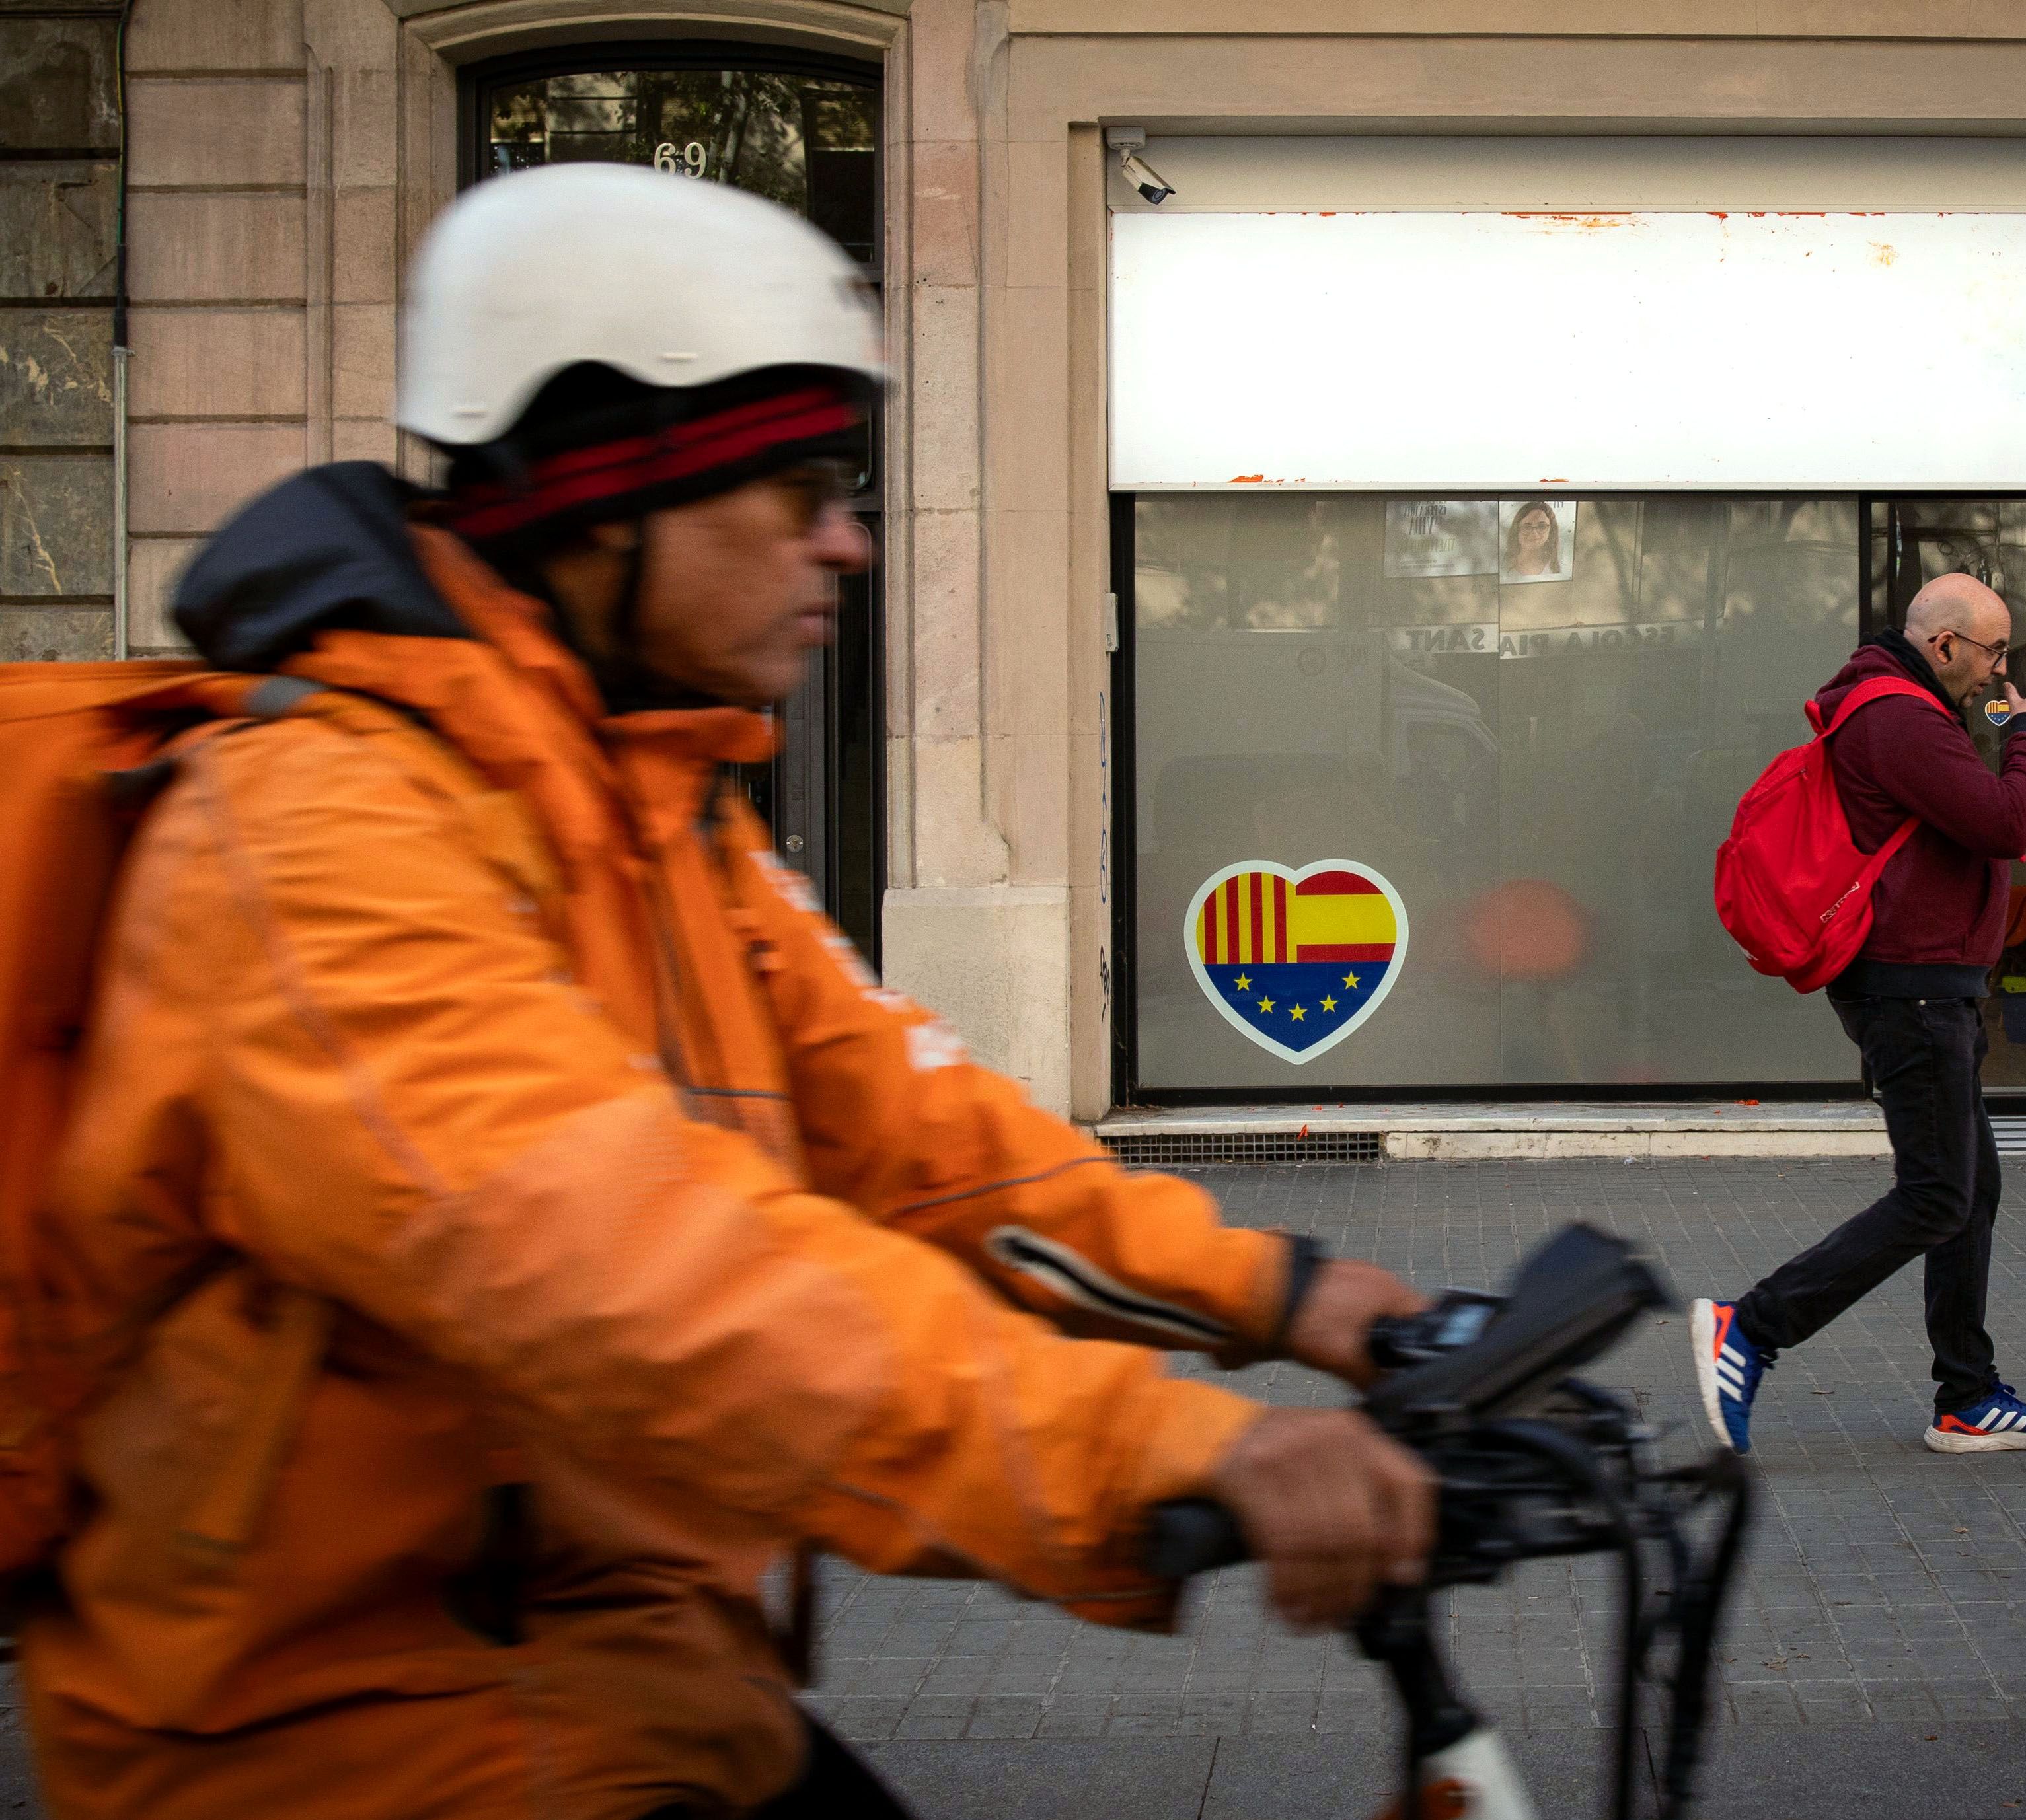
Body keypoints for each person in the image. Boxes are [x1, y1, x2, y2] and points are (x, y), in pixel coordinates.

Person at [19, 164, 1433, 1820]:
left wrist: (1306, 1296)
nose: (849, 536)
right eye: (800, 483)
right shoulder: (316, 834)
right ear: (611, 496)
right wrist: (1161, 1449)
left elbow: (930, 1139)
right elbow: (629, 1262)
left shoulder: (666, 812)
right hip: (341, 1740)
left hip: (634, 1687)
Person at [1690, 572, 2026, 1457]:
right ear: (1943, 644)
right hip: (1908, 992)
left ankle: (1968, 1398)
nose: (1997, 673)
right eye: (1991, 654)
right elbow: (2003, 823)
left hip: (1927, 987)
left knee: (1968, 1190)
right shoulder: (1896, 715)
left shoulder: (1907, 710)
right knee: (1939, 1193)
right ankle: (1751, 1328)